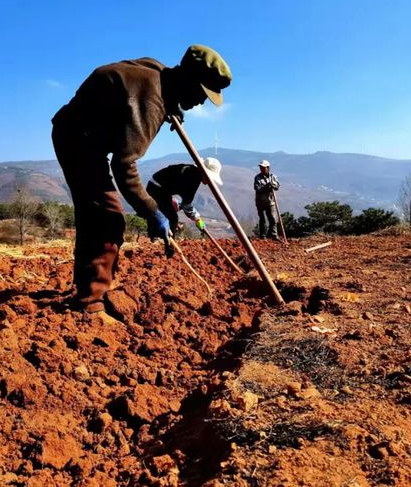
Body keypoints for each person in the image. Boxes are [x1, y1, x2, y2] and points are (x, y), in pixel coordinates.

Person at [51, 45, 232, 320]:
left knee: (96, 215)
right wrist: (152, 211)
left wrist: (173, 106)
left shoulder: (158, 73)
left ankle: (87, 288)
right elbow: (124, 165)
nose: (202, 103)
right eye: (201, 93)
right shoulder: (150, 102)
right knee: (107, 217)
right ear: (188, 81)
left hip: (84, 135)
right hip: (78, 139)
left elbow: (147, 96)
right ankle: (90, 303)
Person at [146, 158, 223, 236]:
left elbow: (173, 183)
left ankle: (159, 236)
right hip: (157, 188)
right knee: (173, 218)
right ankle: (168, 245)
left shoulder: (192, 170)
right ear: (204, 172)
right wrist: (198, 219)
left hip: (159, 188)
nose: (210, 182)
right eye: (210, 178)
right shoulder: (193, 179)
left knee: (172, 210)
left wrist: (174, 201)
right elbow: (187, 205)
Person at [254, 160, 280, 239]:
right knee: (262, 219)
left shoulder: (273, 177)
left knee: (272, 218)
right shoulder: (257, 177)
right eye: (261, 167)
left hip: (270, 201)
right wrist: (266, 187)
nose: (261, 169)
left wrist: (273, 185)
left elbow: (277, 186)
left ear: (268, 168)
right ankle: (263, 235)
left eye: (263, 167)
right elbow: (257, 188)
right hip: (260, 202)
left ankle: (273, 235)